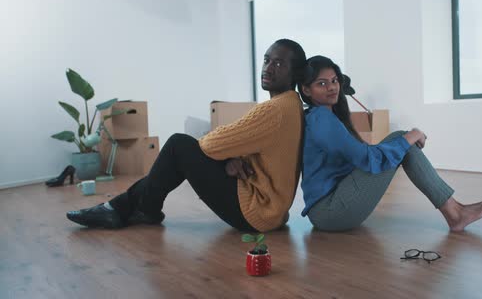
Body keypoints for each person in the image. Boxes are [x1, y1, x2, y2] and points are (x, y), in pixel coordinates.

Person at [67, 39, 307, 233]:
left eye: (278, 64)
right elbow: (256, 147)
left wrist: (225, 157)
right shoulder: (291, 104)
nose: (268, 68)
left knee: (178, 146)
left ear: (294, 73)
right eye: (266, 60)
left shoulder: (274, 109)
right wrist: (230, 158)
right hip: (272, 211)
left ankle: (126, 208)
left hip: (257, 212)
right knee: (181, 151)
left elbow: (212, 144)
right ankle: (128, 207)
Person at [299, 55, 482, 232]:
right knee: (403, 140)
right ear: (306, 89)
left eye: (334, 81)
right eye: (322, 83)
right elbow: (367, 159)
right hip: (330, 211)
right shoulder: (321, 118)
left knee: (401, 142)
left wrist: (405, 139)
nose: (332, 87)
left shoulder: (323, 116)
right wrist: (413, 135)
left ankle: (455, 211)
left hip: (331, 207)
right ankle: (455, 213)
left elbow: (362, 155)